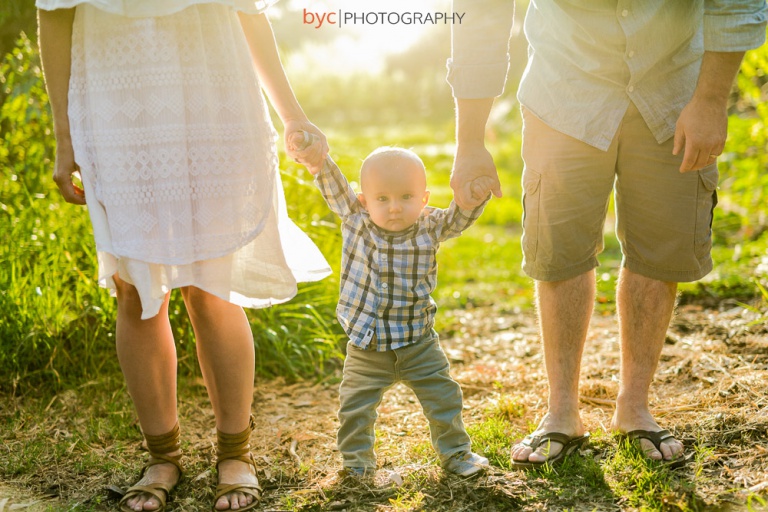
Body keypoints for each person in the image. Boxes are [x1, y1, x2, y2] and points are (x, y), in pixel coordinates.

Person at [447, 0, 767, 468]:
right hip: (564, 92)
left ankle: (634, 407)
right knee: (560, 251)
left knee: (660, 251)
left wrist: (711, 101)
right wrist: (470, 142)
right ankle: (561, 412)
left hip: (674, 90)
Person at [37, 1, 330, 510]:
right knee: (136, 290)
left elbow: (249, 11)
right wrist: (64, 137)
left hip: (214, 90)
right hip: (114, 100)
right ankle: (162, 457)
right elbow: (54, 12)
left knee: (213, 286)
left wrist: (293, 116)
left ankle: (235, 453)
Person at [291, 134, 490, 477]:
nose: (394, 207)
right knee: (355, 408)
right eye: (382, 198)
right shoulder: (356, 218)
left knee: (444, 399)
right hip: (366, 346)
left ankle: (457, 453)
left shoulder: (430, 226)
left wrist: (472, 198)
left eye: (406, 197)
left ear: (424, 198)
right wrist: (317, 162)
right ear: (364, 200)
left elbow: (459, 218)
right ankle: (357, 464)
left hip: (418, 343)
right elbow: (333, 185)